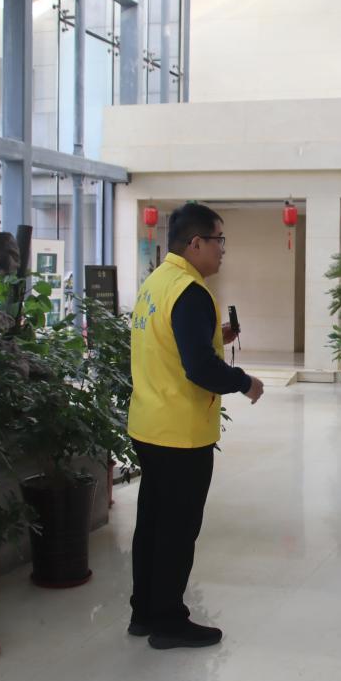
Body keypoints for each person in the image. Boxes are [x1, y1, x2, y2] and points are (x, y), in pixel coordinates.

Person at [126, 203, 265, 649]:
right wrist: (244, 381)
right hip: (180, 433)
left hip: (149, 424)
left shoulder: (157, 283)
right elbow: (200, 368)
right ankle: (169, 622)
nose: (223, 250)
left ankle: (144, 612)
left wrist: (214, 337)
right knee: (177, 529)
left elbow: (169, 343)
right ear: (196, 243)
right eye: (219, 240)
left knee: (152, 523)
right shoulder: (190, 291)